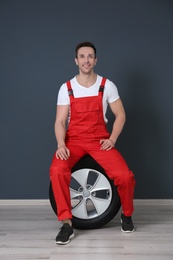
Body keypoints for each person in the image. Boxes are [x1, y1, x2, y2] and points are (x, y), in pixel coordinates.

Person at [50, 41, 136, 245]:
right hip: (74, 140)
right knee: (57, 170)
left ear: (95, 60)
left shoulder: (107, 85)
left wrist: (112, 139)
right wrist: (61, 144)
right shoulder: (67, 87)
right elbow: (60, 121)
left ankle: (127, 215)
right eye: (82, 56)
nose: (86, 60)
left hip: (99, 140)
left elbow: (120, 115)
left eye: (90, 56)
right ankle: (66, 224)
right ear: (76, 60)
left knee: (125, 176)